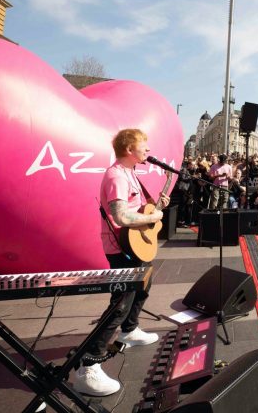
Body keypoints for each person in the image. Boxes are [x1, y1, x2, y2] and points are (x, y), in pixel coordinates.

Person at [78, 129, 167, 396]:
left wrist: (155, 207)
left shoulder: (130, 173)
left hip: (134, 244)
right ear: (129, 149)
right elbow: (121, 217)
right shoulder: (116, 175)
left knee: (143, 288)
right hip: (121, 248)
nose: (148, 150)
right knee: (120, 304)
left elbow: (135, 209)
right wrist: (153, 218)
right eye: (144, 145)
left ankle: (129, 330)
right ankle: (88, 366)